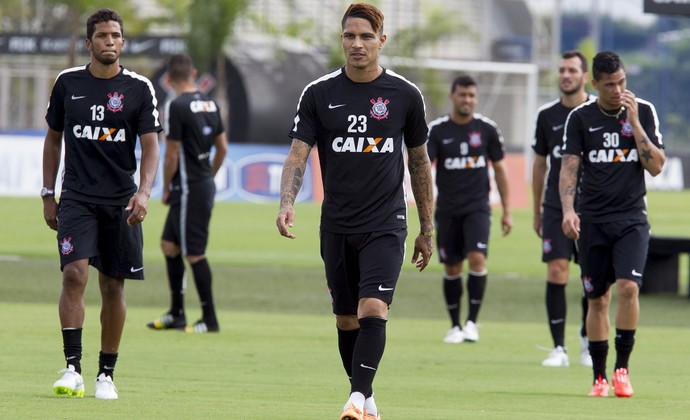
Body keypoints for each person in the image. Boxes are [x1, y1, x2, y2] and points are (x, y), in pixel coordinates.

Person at [275, 3, 434, 419]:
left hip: (386, 223)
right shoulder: (319, 93)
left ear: (382, 40)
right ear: (341, 39)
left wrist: (427, 228)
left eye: (366, 36)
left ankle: (355, 400)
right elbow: (297, 155)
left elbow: (419, 163)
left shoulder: (404, 95)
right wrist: (287, 202)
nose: (357, 44)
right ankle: (365, 397)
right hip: (337, 225)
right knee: (346, 319)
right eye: (350, 36)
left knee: (372, 310)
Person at [42, 8, 161, 399]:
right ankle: (72, 368)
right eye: (102, 36)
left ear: (123, 43)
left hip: (119, 202)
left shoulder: (139, 89)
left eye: (116, 35)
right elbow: (53, 139)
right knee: (74, 274)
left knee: (113, 286)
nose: (109, 41)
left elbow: (150, 147)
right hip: (76, 197)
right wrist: (48, 193)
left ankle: (105, 375)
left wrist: (143, 192)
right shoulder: (67, 83)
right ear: (89, 42)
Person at [560, 50, 665, 398]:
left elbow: (657, 167)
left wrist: (634, 125)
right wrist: (568, 210)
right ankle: (599, 376)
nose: (618, 90)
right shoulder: (580, 118)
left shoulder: (644, 111)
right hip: (592, 221)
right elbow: (570, 167)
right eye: (610, 85)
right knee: (597, 299)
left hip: (632, 219)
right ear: (595, 84)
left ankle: (622, 369)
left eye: (622, 82)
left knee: (629, 289)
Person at [427, 74, 512, 345]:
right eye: (462, 95)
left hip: (478, 208)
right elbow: (424, 171)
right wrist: (425, 211)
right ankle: (454, 326)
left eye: (472, 96)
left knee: (477, 259)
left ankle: (473, 323)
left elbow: (500, 169)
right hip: (448, 210)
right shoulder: (438, 130)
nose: (467, 100)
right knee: (452, 267)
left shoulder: (487, 129)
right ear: (453, 96)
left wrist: (507, 210)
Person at [146, 53, 227, 334]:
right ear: (193, 74)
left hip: (188, 187)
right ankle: (177, 313)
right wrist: (209, 175)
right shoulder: (211, 103)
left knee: (194, 253)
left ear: (168, 79)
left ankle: (209, 318)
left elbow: (171, 153)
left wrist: (166, 186)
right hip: (199, 184)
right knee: (169, 245)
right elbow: (223, 148)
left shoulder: (175, 106)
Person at [532, 50, 593, 367]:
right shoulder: (547, 115)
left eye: (572, 70)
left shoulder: (598, 111)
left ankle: (587, 340)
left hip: (593, 207)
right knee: (557, 270)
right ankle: (559, 348)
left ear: (584, 76)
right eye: (561, 70)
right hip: (556, 206)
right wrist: (537, 209)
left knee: (591, 276)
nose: (566, 75)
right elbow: (540, 165)